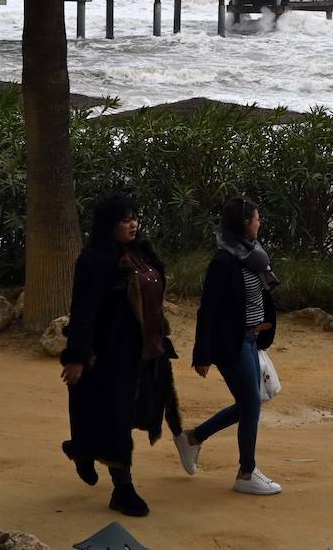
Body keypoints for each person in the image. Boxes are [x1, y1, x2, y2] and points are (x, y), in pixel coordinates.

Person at [60, 193, 182, 518]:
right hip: (109, 356)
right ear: (108, 224)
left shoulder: (141, 252)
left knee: (130, 416)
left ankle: (81, 449)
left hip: (142, 352)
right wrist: (77, 356)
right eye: (125, 219)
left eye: (135, 217)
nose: (133, 223)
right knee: (116, 420)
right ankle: (122, 489)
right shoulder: (94, 259)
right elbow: (84, 312)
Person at [176, 195, 281, 495]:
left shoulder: (253, 255)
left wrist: (262, 327)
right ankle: (246, 473)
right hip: (230, 344)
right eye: (257, 219)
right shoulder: (223, 262)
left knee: (250, 404)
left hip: (250, 339)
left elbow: (258, 298)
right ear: (245, 224)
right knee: (251, 405)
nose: (260, 223)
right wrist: (202, 354)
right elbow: (206, 310)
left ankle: (193, 438)